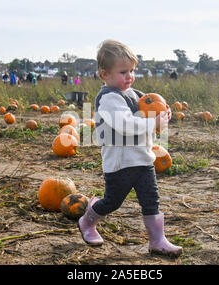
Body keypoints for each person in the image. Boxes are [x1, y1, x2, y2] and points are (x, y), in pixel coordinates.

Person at [78, 39, 182, 257]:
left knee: (151, 200)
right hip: (120, 164)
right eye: (123, 71)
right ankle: (88, 221)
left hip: (143, 160)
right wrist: (152, 124)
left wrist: (164, 114)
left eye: (132, 70)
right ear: (104, 74)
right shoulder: (108, 99)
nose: (129, 76)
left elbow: (150, 110)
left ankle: (157, 240)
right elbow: (125, 124)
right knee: (112, 202)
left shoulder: (135, 94)